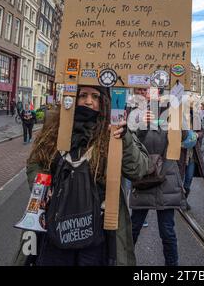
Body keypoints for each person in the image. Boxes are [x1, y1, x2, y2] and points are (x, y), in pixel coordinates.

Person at [15, 85, 149, 266]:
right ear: (72, 98)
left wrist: (123, 140)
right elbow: (36, 162)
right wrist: (41, 186)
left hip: (98, 231)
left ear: (103, 102)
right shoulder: (55, 129)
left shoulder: (116, 130)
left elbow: (138, 170)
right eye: (83, 95)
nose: (89, 101)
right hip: (55, 225)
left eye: (95, 96)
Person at [129, 87, 187, 266]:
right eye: (146, 91)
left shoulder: (171, 110)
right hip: (145, 175)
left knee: (167, 230)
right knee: (134, 226)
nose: (150, 94)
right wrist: (142, 126)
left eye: (154, 91)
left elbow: (183, 136)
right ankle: (124, 261)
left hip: (166, 176)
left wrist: (176, 117)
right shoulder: (135, 112)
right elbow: (131, 142)